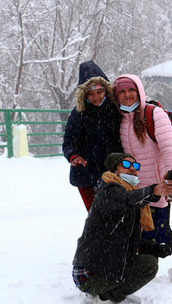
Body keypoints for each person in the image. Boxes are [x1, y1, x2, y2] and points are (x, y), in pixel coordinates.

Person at [72, 153, 172, 304]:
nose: (133, 169)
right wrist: (154, 191)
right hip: (88, 273)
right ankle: (105, 298)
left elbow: (128, 237)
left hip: (99, 264)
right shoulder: (109, 191)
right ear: (115, 170)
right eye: (126, 164)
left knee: (149, 259)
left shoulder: (123, 193)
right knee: (148, 266)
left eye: (136, 166)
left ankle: (104, 288)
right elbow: (127, 199)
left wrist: (156, 248)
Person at [113, 74, 172, 284]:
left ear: (139, 91)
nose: (127, 95)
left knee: (162, 229)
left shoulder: (154, 114)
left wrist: (171, 182)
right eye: (122, 91)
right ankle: (144, 266)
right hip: (136, 187)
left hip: (158, 184)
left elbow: (169, 150)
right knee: (140, 227)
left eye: (131, 90)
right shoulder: (120, 119)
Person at [63, 61, 123, 212]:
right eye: (90, 93)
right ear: (84, 94)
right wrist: (73, 156)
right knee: (95, 216)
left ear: (106, 89)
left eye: (99, 91)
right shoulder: (78, 114)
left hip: (113, 173)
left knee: (116, 214)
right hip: (86, 174)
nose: (96, 97)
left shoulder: (115, 110)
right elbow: (69, 141)